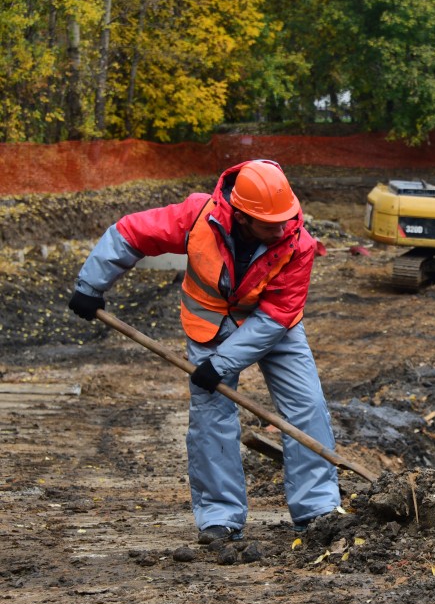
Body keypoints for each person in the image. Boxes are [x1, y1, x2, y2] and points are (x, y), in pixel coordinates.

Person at [68, 159, 341, 544]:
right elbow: (130, 234)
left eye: (287, 218)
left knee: (307, 406)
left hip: (275, 328)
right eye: (270, 223)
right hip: (209, 324)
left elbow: (276, 316)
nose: (282, 228)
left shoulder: (298, 242)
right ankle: (220, 516)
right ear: (241, 216)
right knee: (211, 418)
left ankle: (317, 511)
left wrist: (221, 365)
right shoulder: (199, 216)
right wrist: (90, 285)